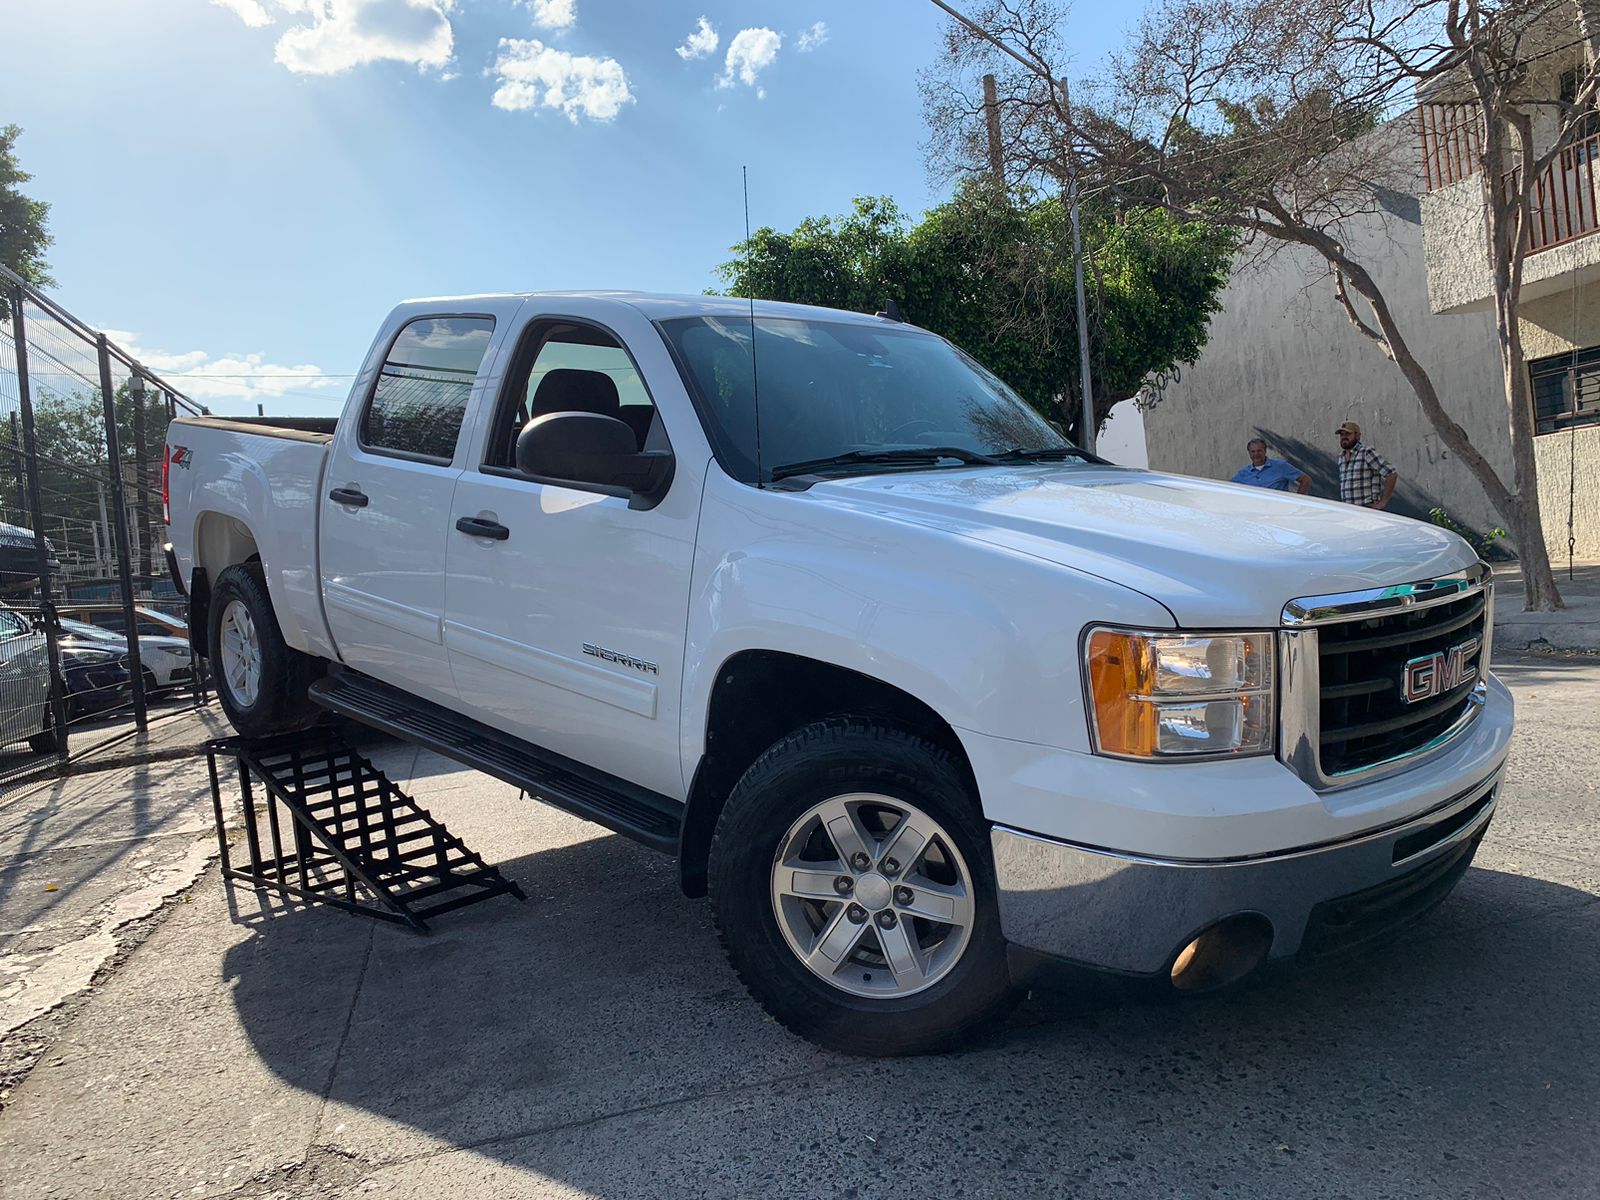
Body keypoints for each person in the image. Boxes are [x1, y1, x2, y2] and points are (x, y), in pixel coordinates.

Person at [1335, 421, 1399, 509]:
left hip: (1367, 510)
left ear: (1357, 435)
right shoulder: (1341, 458)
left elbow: (1391, 474)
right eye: (1341, 434)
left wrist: (1383, 502)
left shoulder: (1366, 452)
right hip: (1348, 512)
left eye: (1348, 434)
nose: (1344, 437)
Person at [1230, 437, 1311, 493]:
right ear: (1249, 453)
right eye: (1253, 451)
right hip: (1255, 515)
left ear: (1265, 451)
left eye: (1259, 451)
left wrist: (1297, 503)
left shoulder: (1281, 466)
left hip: (1278, 513)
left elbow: (1305, 479)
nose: (1256, 454)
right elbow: (1228, 488)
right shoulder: (1243, 473)